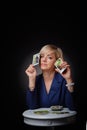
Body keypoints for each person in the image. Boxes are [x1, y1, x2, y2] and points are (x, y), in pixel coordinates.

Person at [25, 44, 75, 110]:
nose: (44, 60)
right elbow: (32, 107)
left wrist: (68, 79)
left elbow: (72, 107)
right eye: (42, 56)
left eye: (49, 57)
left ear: (57, 62)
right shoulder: (35, 80)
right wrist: (31, 80)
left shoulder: (64, 80)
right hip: (40, 120)